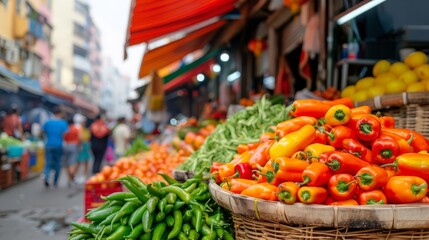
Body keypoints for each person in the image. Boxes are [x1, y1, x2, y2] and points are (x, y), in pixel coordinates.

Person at [42, 108, 68, 188]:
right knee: (57, 163)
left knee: (48, 163)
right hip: (58, 145)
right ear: (59, 113)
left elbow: (42, 131)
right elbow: (65, 134)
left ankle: (46, 176)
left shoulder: (48, 122)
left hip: (48, 144)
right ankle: (55, 182)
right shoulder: (63, 123)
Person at [63, 119, 80, 187]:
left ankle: (69, 178)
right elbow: (79, 138)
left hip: (66, 145)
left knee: (67, 163)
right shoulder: (76, 129)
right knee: (72, 162)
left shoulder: (66, 129)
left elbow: (63, 137)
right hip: (74, 145)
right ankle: (72, 175)